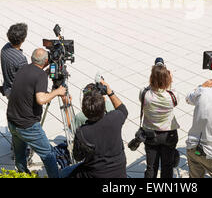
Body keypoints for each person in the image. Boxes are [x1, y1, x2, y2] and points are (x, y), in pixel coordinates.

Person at [7, 48, 66, 178]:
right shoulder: (40, 76)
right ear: (46, 61)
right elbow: (41, 99)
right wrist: (58, 91)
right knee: (48, 154)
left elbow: (31, 81)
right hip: (27, 126)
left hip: (12, 120)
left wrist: (45, 73)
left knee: (20, 153)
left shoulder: (24, 68)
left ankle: (22, 174)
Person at [65, 78, 128, 178]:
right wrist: (109, 92)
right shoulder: (115, 118)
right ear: (103, 106)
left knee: (63, 173)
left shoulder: (82, 132)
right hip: (119, 171)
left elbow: (77, 157)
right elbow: (123, 109)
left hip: (94, 173)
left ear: (84, 110)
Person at [139, 58, 180, 179]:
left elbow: (148, 88)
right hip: (169, 135)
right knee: (167, 166)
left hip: (150, 134)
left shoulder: (144, 94)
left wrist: (155, 76)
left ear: (151, 78)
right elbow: (171, 91)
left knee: (151, 166)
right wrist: (168, 80)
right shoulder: (172, 96)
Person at [0, 23, 28, 99]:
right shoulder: (21, 59)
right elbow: (27, 80)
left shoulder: (5, 48)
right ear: (23, 40)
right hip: (17, 94)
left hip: (7, 88)